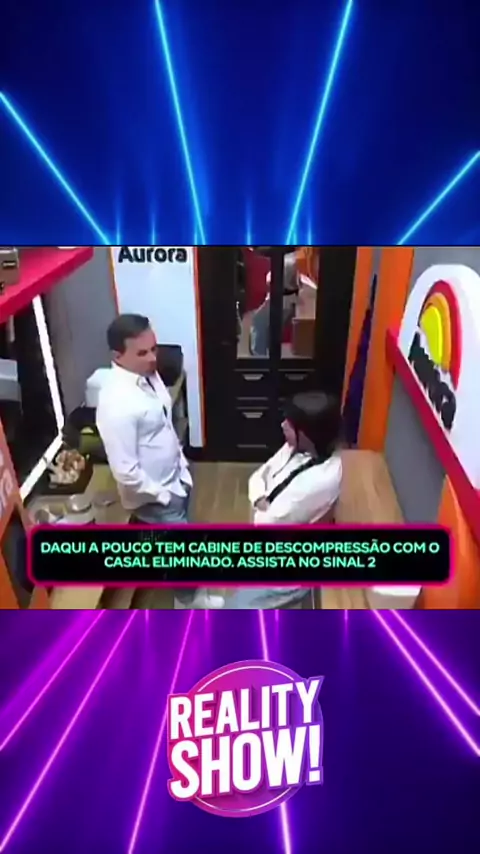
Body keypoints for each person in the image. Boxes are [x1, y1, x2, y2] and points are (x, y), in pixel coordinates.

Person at [96, 314, 225, 610]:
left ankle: (190, 593)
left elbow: (163, 423)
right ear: (117, 356)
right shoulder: (116, 403)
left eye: (154, 348)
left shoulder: (148, 375)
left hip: (178, 477)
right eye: (142, 353)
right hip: (158, 495)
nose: (153, 358)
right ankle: (187, 604)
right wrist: (163, 494)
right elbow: (125, 471)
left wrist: (180, 469)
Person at [228, 391, 343, 609]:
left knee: (232, 612)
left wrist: (260, 502)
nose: (282, 426)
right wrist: (260, 498)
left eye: (289, 425)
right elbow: (258, 475)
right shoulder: (296, 446)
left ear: (307, 434)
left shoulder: (321, 480)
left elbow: (265, 523)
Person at [249, 252, 317, 356]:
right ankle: (262, 354)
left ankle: (260, 355)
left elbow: (303, 277)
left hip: (284, 298)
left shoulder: (294, 259)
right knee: (266, 325)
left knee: (261, 322)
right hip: (280, 297)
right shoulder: (287, 258)